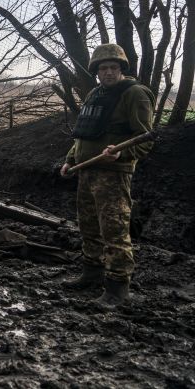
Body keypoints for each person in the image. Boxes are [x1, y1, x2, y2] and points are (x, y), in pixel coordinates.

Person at [60, 43, 155, 308]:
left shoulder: (135, 94)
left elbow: (145, 140)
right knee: (88, 226)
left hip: (113, 174)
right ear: (96, 72)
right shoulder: (95, 94)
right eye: (103, 68)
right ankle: (91, 274)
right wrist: (70, 160)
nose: (109, 72)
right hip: (87, 170)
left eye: (114, 67)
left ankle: (117, 289)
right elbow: (85, 131)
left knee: (114, 230)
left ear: (122, 69)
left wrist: (121, 154)